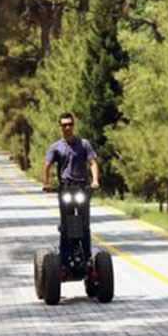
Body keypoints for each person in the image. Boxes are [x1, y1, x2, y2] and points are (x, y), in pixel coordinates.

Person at [42, 112, 101, 262]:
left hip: (82, 188)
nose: (67, 127)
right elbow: (47, 165)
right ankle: (64, 256)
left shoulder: (84, 144)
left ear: (74, 125)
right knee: (66, 224)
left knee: (84, 224)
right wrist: (46, 183)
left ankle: (87, 256)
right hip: (65, 189)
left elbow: (93, 162)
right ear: (60, 127)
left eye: (70, 124)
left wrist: (95, 181)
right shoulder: (55, 147)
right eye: (64, 125)